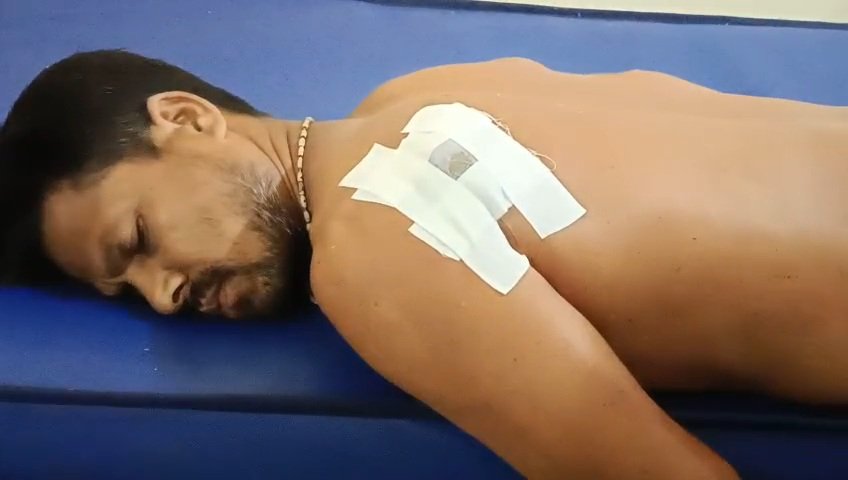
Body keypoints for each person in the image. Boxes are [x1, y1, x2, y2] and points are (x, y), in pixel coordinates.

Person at [2, 49, 847, 480]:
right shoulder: (425, 90)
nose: (161, 296)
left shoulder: (376, 246)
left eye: (136, 240)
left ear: (187, 119)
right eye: (125, 291)